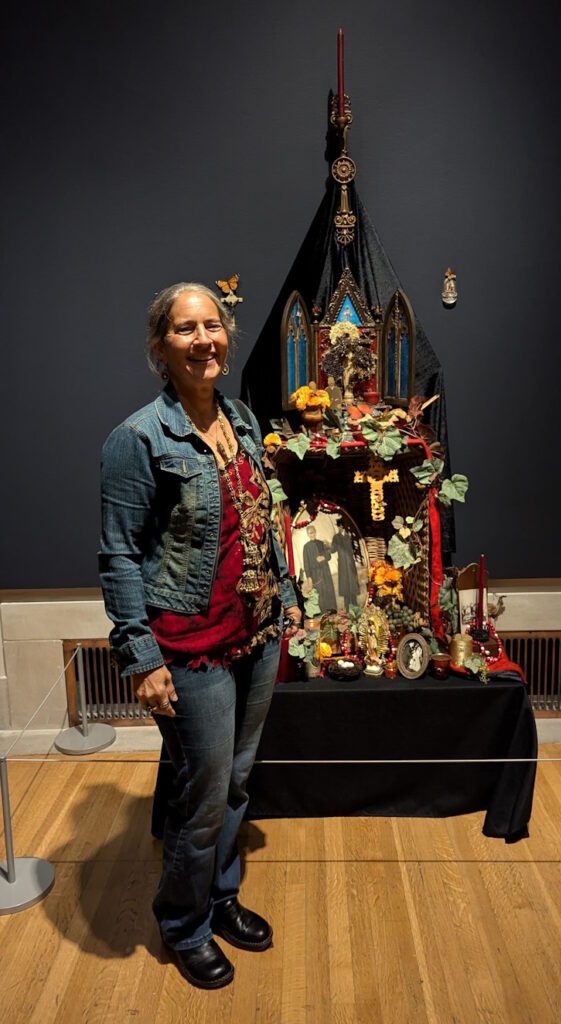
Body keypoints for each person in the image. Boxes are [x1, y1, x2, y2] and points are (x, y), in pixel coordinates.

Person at [99, 282, 301, 990]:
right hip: (188, 648)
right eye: (185, 329)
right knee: (203, 791)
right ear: (160, 347)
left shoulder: (241, 420)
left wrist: (289, 598)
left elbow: (258, 522)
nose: (202, 339)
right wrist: (140, 657)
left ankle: (220, 898)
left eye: (211, 325)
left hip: (257, 633)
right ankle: (183, 923)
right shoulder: (137, 438)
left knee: (236, 781)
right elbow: (119, 555)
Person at [302, 523, 337, 612]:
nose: (312, 534)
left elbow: (329, 556)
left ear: (315, 532)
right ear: (308, 534)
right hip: (316, 575)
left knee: (329, 591)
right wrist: (309, 578)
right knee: (320, 594)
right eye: (310, 533)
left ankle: (333, 611)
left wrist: (324, 557)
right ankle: (324, 614)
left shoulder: (321, 543)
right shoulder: (306, 547)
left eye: (313, 532)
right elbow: (306, 564)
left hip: (325, 572)